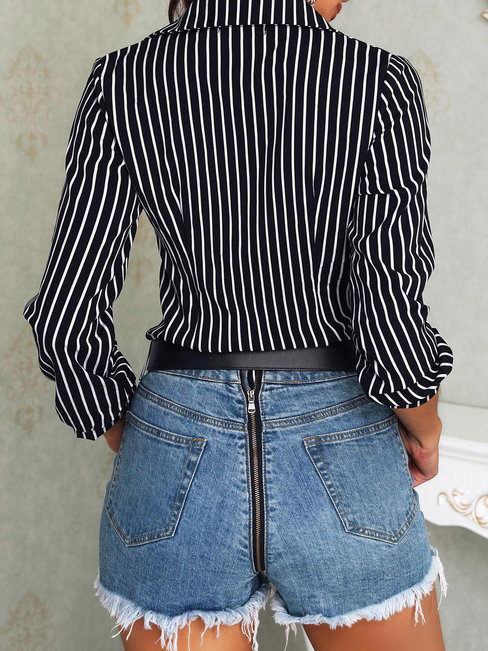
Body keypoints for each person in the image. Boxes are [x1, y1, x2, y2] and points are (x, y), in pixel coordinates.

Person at [22, 0, 454, 649]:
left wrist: (135, 432)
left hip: (176, 431)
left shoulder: (121, 79)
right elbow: (390, 318)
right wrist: (426, 428)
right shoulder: (378, 79)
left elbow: (66, 308)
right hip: (342, 429)